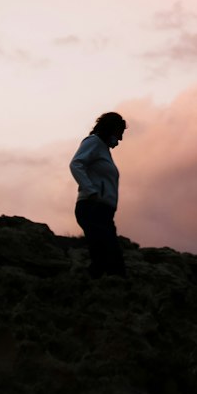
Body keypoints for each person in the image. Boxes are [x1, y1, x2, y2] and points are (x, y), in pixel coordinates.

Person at [70, 111, 127, 278]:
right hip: (92, 207)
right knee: (108, 254)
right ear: (111, 129)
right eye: (119, 133)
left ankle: (97, 286)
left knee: (105, 254)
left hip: (103, 210)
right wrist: (91, 190)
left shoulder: (104, 150)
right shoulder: (93, 142)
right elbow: (76, 164)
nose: (121, 139)